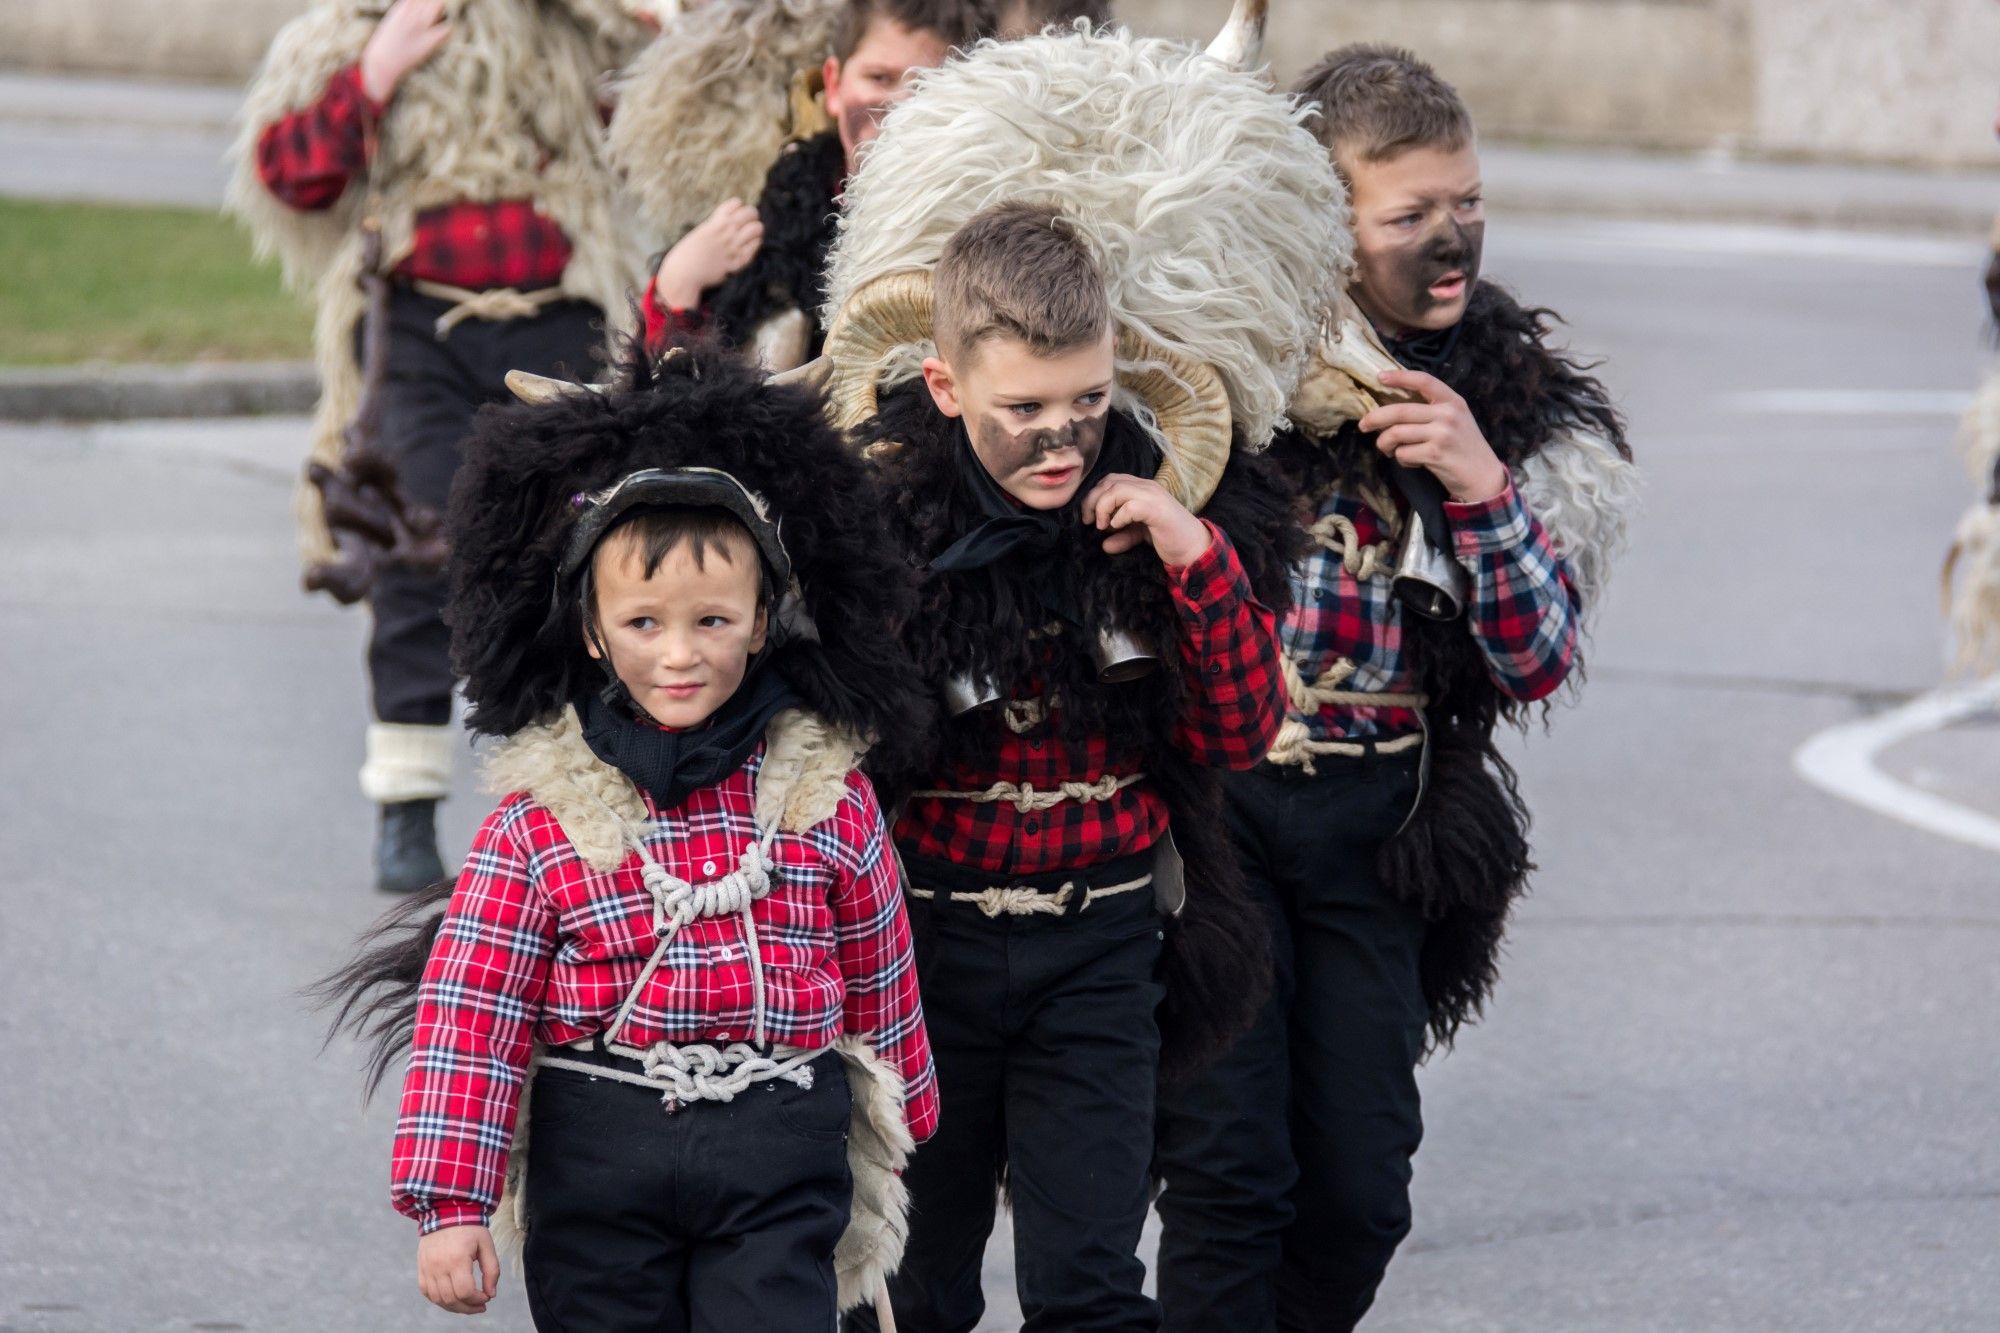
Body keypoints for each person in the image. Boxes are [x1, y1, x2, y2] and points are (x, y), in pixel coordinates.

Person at [817, 13, 1350, 1328]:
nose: (1060, 439)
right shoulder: (889, 534)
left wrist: (1193, 553)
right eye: (1022, 412)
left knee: (1090, 1285)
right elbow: (833, 759)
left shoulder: (1152, 515)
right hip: (926, 948)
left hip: (1102, 945)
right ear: (941, 385)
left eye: (1085, 403)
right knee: (914, 1283)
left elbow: (1235, 731)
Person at [1152, 43, 1639, 1333]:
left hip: (1380, 834)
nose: (1449, 240)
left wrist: (1480, 488)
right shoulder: (1222, 366)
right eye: (1408, 214)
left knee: (1360, 1192)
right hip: (1221, 826)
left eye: (1466, 203)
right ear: (1322, 217)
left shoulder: (1512, 401)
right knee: (1226, 1177)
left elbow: (1535, 658)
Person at [314, 345, 938, 1327]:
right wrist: (451, 1204)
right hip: (598, 1157)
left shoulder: (826, 797)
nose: (680, 652)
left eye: (712, 619)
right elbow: (472, 1008)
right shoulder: (540, 817)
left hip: (779, 1150)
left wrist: (905, 1135)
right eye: (644, 621)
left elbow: (878, 970)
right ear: (595, 635)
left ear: (764, 620)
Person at [227, 0, 650, 892]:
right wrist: (375, 73)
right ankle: (407, 804)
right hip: (419, 324)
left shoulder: (580, 26)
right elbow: (288, 175)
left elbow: (664, 128)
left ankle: (581, 799)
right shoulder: (358, 29)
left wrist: (644, 34)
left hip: (559, 315)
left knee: (574, 556)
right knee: (414, 547)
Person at [611, 0, 996, 367]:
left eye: (926, 84)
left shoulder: (986, 225)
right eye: (880, 77)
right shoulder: (771, 224)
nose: (900, 104)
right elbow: (666, 400)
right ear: (833, 85)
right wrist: (679, 282)